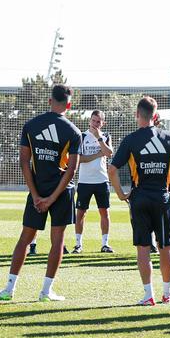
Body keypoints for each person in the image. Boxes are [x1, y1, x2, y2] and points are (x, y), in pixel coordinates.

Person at [0, 84, 81, 302]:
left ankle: (9, 289)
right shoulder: (74, 131)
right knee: (57, 241)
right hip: (61, 193)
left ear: (50, 101)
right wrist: (52, 198)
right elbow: (72, 170)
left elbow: (24, 162)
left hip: (37, 190)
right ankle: (45, 292)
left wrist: (35, 194)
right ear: (69, 104)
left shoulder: (31, 125)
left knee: (25, 238)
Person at [109, 96, 170, 305]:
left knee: (143, 249)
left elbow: (112, 169)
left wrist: (120, 193)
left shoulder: (130, 139)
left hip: (139, 199)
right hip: (162, 199)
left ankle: (148, 295)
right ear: (155, 116)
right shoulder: (169, 137)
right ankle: (167, 293)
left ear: (137, 115)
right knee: (165, 248)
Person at [72, 109, 114, 254]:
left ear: (103, 123)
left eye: (98, 121)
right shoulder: (82, 136)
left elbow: (109, 153)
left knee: (104, 213)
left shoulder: (106, 136)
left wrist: (99, 138)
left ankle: (105, 244)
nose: (95, 124)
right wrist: (97, 154)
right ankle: (78, 244)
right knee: (81, 213)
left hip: (102, 180)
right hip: (84, 181)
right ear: (89, 120)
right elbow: (79, 159)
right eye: (93, 120)